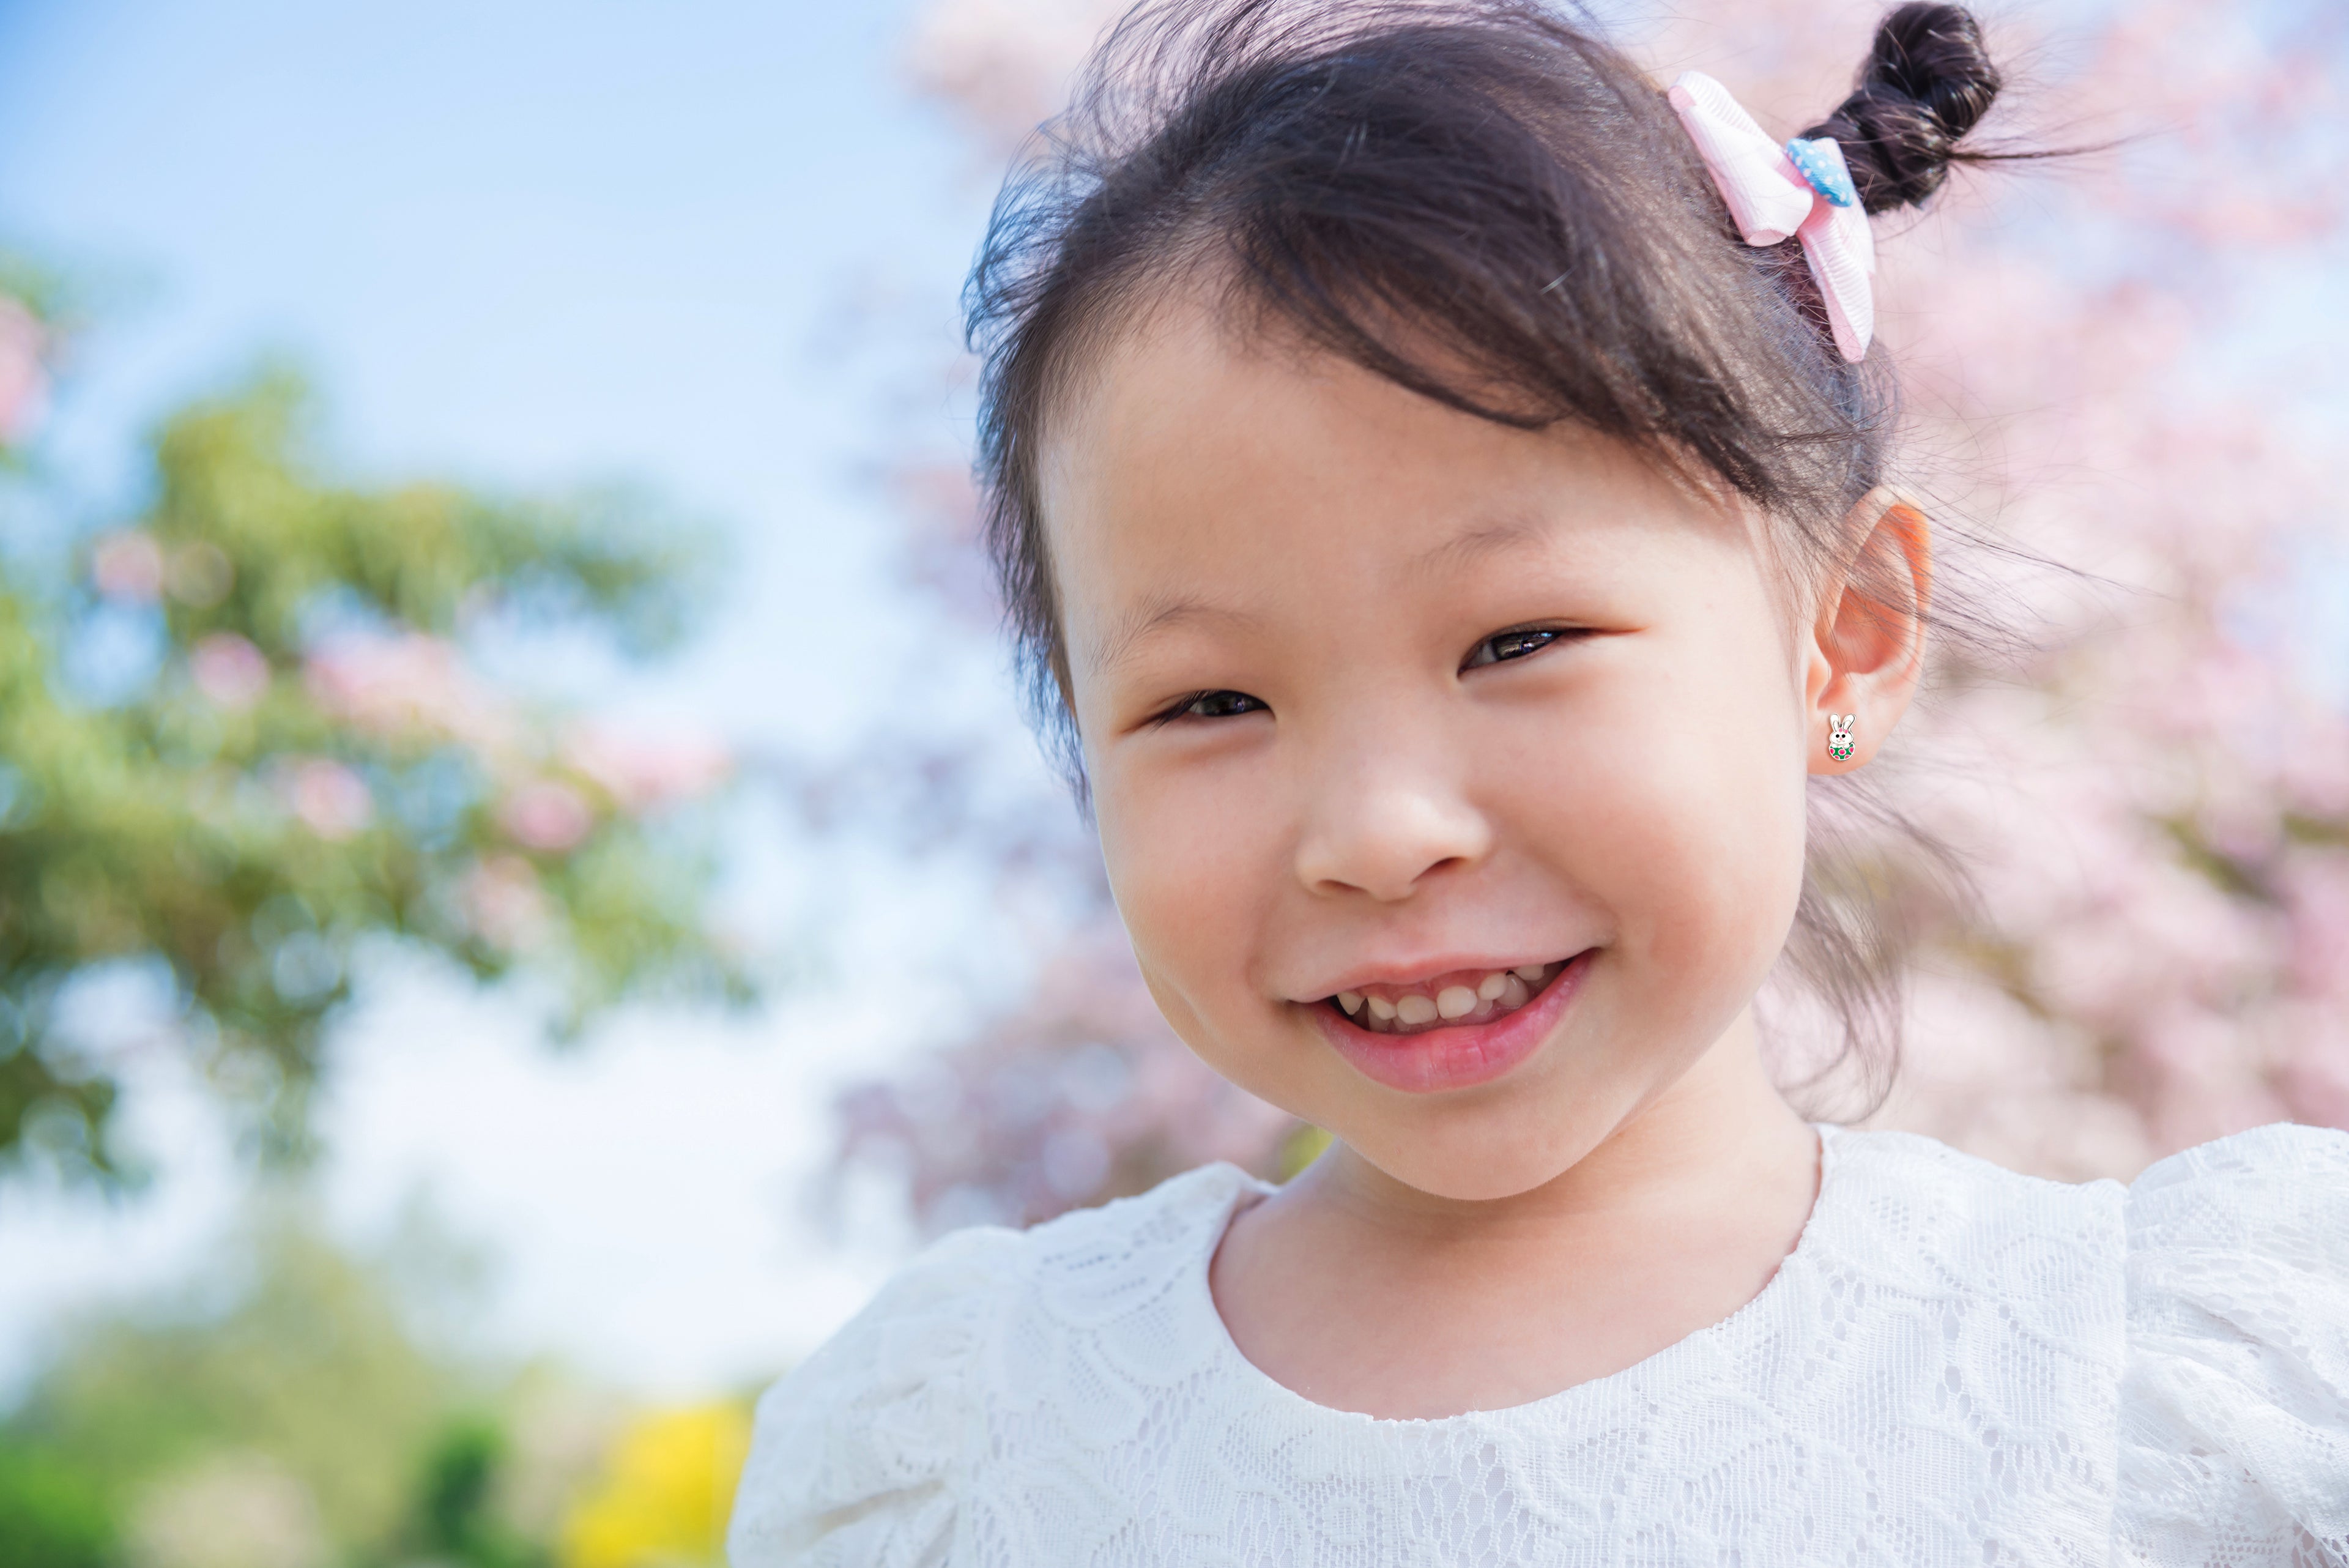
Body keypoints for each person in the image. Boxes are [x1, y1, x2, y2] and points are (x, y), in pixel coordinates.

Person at [729, 0, 2349, 1560]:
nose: (1379, 831)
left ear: (1841, 639)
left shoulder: (2160, 1402)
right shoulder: (959, 1448)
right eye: (1211, 698)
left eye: (1517, 640)